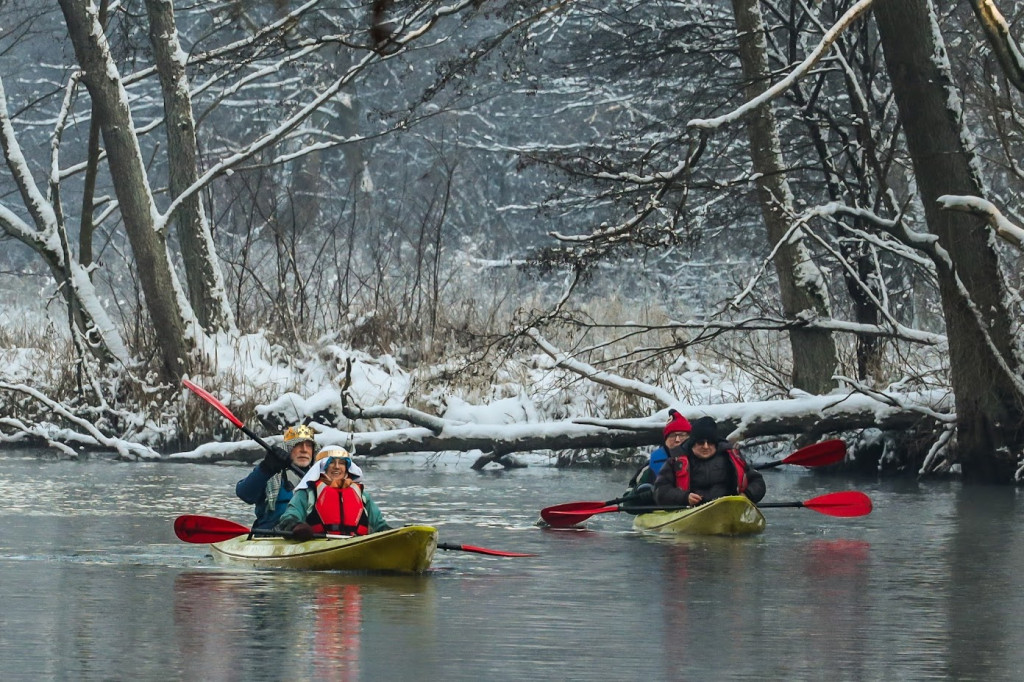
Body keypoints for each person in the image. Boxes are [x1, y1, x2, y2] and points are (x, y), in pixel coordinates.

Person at [275, 446, 390, 540]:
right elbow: (288, 519)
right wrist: (297, 527)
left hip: (357, 542)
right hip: (319, 545)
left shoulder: (362, 495)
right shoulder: (307, 493)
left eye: (341, 463)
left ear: (347, 467)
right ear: (322, 466)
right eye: (331, 463)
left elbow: (380, 526)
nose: (336, 467)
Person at [653, 416, 765, 507]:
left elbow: (758, 481)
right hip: (691, 511)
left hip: (728, 507)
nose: (706, 447)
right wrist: (684, 497)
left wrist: (746, 495)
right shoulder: (675, 461)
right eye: (701, 443)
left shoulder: (731, 456)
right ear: (692, 443)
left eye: (710, 442)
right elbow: (660, 491)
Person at [234, 424, 316, 530]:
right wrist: (266, 468)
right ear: (288, 448)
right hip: (270, 537)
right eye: (298, 444)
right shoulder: (270, 471)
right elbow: (245, 494)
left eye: (309, 445)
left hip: (307, 536)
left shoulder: (320, 477)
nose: (304, 450)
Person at [621, 409, 692, 508]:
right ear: (665, 440)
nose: (677, 440)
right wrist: (640, 494)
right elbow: (627, 503)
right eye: (672, 436)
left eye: (682, 435)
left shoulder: (701, 460)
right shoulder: (649, 467)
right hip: (661, 513)